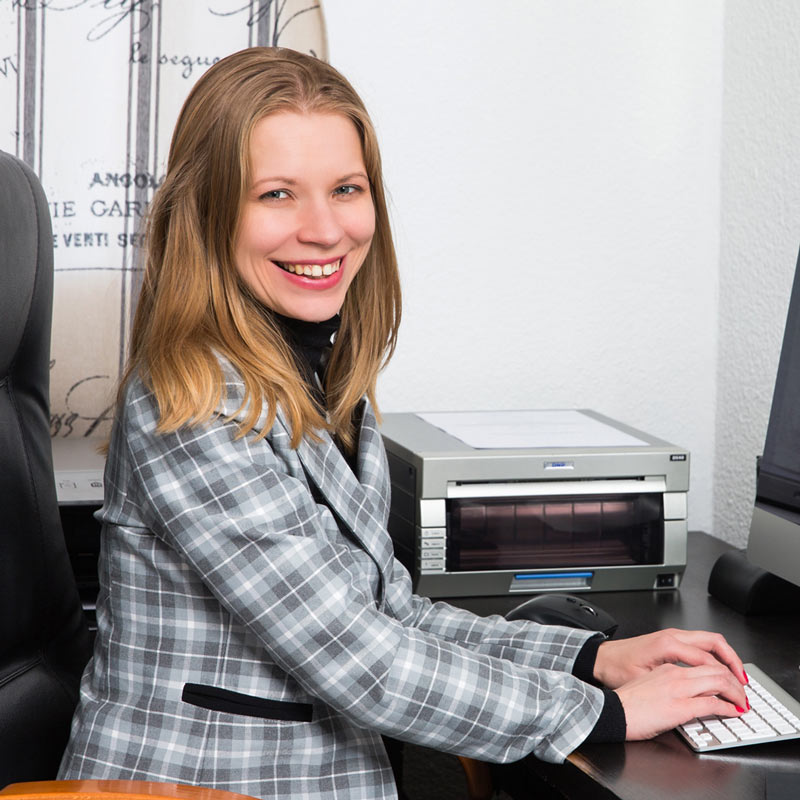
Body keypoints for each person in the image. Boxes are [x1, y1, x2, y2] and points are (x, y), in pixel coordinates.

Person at [58, 47, 749, 800]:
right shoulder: (191, 404)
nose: (325, 229)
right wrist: (601, 715)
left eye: (346, 189)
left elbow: (388, 614)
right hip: (201, 787)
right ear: (208, 213)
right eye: (278, 194)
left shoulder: (316, 376)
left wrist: (585, 661)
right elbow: (360, 660)